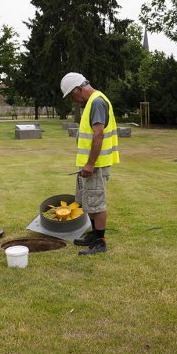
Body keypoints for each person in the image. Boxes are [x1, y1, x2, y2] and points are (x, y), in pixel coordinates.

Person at [60, 72, 120, 255]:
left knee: (97, 203)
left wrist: (90, 164)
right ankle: (94, 234)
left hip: (95, 164)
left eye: (72, 95)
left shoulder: (96, 102)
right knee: (90, 202)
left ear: (78, 89)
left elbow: (98, 135)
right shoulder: (92, 102)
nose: (73, 100)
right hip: (90, 164)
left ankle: (100, 241)